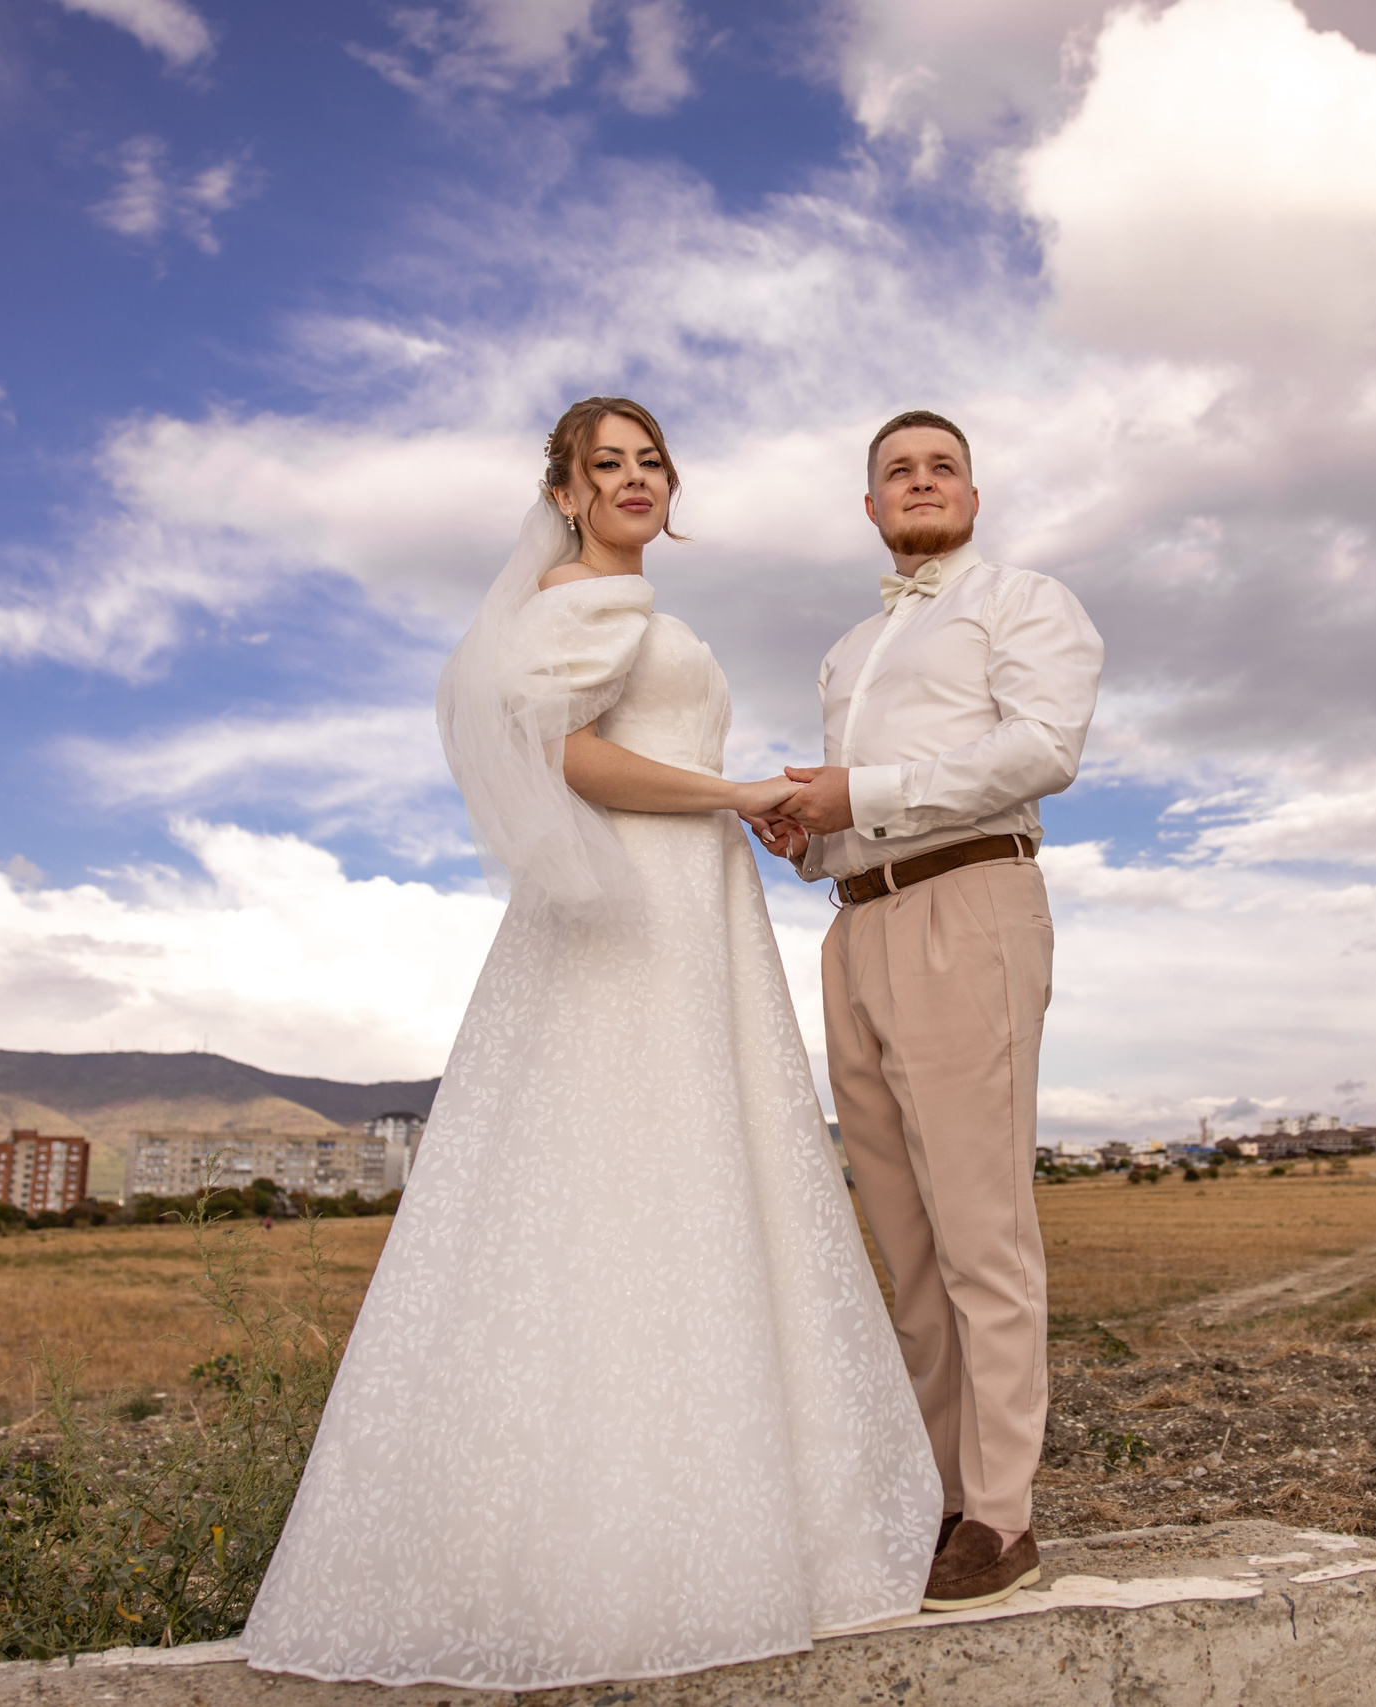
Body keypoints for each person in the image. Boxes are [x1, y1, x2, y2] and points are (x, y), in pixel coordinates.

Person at [242, 398, 939, 1692]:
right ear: (563, 493)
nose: (632, 478)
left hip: (682, 893)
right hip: (640, 904)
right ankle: (635, 1552)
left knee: (664, 1180)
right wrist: (738, 793)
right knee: (635, 1174)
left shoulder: (622, 604)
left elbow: (629, 748)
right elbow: (569, 759)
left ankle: (697, 1529)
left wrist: (742, 807)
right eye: (604, 463)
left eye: (649, 460)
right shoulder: (586, 599)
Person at [753, 409, 1104, 1612]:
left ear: (971, 494)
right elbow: (856, 812)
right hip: (857, 922)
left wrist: (864, 792)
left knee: (978, 1228)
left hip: (971, 905)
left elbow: (1042, 749)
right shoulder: (846, 652)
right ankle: (943, 1498)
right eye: (896, 471)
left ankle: (1003, 1517)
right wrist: (808, 832)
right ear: (869, 507)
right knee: (904, 1240)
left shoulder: (1023, 602)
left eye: (940, 467)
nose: (919, 482)